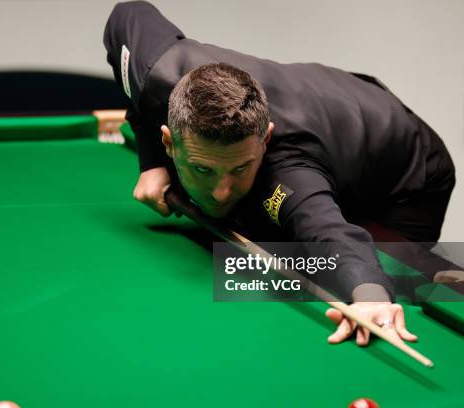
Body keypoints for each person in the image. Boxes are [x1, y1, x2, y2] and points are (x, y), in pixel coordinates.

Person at [102, 1, 457, 345]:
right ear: (170, 139)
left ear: (265, 138)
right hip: (331, 109)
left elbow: (329, 232)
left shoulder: (290, 168)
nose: (222, 191)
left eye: (240, 167)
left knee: (345, 261)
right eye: (202, 168)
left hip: (407, 177)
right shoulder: (157, 73)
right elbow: (127, 13)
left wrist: (370, 295)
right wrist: (151, 161)